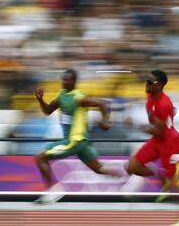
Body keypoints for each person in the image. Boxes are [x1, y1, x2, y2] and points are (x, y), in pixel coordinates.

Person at [34, 69, 122, 204]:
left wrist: (104, 121)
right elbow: (48, 111)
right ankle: (121, 173)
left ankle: (51, 190)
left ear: (74, 81)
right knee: (99, 169)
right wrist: (40, 100)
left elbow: (103, 103)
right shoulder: (62, 96)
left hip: (74, 140)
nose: (64, 82)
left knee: (40, 157)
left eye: (68, 79)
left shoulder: (78, 98)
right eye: (63, 79)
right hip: (82, 143)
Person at [124, 69, 179, 201]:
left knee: (175, 186)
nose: (146, 84)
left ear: (159, 85)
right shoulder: (151, 95)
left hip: (169, 142)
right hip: (157, 140)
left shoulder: (163, 104)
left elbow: (159, 132)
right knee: (132, 167)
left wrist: (135, 124)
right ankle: (161, 175)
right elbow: (153, 117)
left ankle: (174, 184)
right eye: (146, 81)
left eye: (150, 82)